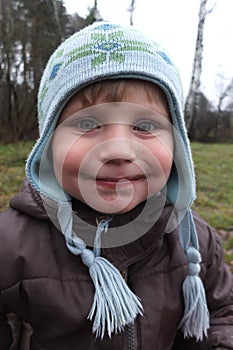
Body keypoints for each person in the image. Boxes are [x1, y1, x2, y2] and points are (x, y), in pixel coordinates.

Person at [0, 21, 232, 350]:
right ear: (48, 145)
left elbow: (222, 313)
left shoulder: (194, 241)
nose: (119, 151)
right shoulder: (9, 246)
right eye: (87, 124)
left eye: (145, 125)